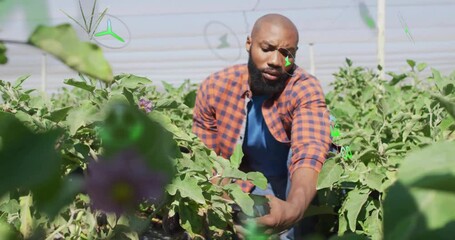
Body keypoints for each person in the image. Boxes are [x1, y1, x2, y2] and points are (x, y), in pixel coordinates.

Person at [192, 13, 331, 239]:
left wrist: (294, 210)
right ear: (249, 44)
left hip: (293, 183)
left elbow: (310, 151)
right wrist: (218, 208)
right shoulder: (216, 87)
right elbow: (205, 157)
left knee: (296, 228)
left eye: (287, 54)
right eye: (267, 48)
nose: (276, 61)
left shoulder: (303, 87)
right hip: (247, 180)